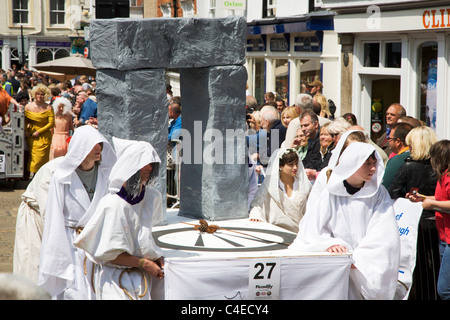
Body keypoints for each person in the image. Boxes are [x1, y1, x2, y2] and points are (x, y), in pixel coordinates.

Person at [290, 142, 401, 300]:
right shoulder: (331, 193)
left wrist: (359, 259)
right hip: (337, 267)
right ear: (353, 164)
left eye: (374, 163)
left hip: (365, 267)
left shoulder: (378, 194)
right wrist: (329, 244)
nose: (373, 168)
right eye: (367, 164)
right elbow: (311, 229)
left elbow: (384, 233)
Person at [74, 137, 164, 300]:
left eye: (153, 164)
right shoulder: (112, 206)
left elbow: (143, 238)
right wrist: (144, 263)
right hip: (114, 281)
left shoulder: (152, 198)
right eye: (145, 163)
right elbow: (108, 255)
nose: (150, 168)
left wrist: (155, 256)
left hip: (142, 280)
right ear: (132, 166)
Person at [38, 125, 117, 300]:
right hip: (71, 244)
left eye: (100, 145)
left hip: (99, 244)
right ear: (81, 147)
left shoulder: (107, 175)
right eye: (93, 145)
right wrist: (57, 256)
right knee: (75, 292)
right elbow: (54, 218)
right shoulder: (62, 177)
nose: (99, 148)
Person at [389, 126, 440, 300]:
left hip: (416, 222)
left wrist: (407, 196)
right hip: (438, 219)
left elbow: (391, 192)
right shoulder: (440, 167)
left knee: (417, 266)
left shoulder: (408, 165)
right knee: (436, 266)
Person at [408, 140, 450, 300]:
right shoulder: (443, 176)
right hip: (444, 237)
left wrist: (431, 203)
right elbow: (441, 199)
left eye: (432, 157)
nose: (430, 161)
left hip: (448, 238)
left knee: (444, 290)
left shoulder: (448, 178)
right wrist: (423, 198)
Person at [13, 156, 65, 283]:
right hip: (34, 219)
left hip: (56, 223)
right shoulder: (53, 169)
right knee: (31, 265)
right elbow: (49, 211)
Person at [249, 148, 311, 233]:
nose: (295, 167)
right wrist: (256, 215)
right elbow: (257, 203)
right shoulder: (270, 185)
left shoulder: (304, 185)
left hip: (301, 232)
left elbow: (312, 207)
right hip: (276, 231)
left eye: (296, 164)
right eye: (290, 164)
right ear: (280, 166)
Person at [25, 84, 55, 175]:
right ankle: (33, 176)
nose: (39, 96)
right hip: (31, 135)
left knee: (41, 158)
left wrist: (39, 131)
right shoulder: (28, 106)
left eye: (42, 94)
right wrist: (25, 130)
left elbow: (51, 123)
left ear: (45, 95)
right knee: (33, 158)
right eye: (38, 94)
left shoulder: (49, 107)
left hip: (44, 136)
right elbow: (25, 121)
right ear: (34, 94)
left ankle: (40, 175)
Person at [382, 122, 413, 189]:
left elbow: (385, 187)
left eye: (390, 139)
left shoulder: (397, 161)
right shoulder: (418, 155)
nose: (388, 141)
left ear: (398, 142)